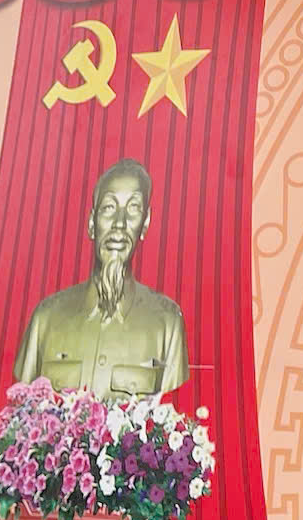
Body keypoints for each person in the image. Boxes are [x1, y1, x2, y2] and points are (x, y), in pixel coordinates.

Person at [13, 158, 189, 400]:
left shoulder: (167, 323)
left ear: (145, 223)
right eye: (109, 208)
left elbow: (172, 407)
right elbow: (22, 411)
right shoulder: (46, 319)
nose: (119, 223)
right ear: (91, 222)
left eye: (133, 208)